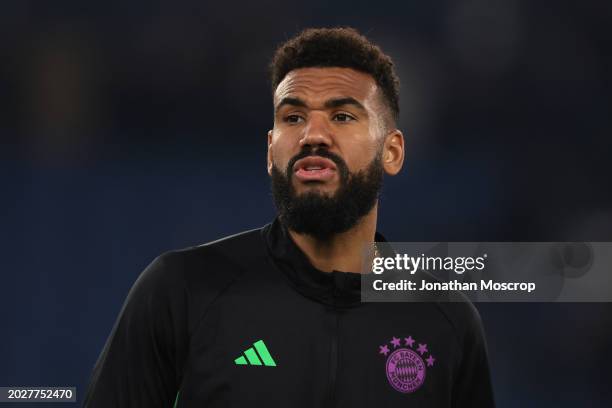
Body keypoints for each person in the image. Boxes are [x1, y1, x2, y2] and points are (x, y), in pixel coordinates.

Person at [84, 27, 495, 407]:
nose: (312, 135)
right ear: (270, 150)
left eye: (342, 116)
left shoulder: (446, 320)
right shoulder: (183, 292)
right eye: (293, 117)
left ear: (391, 151)